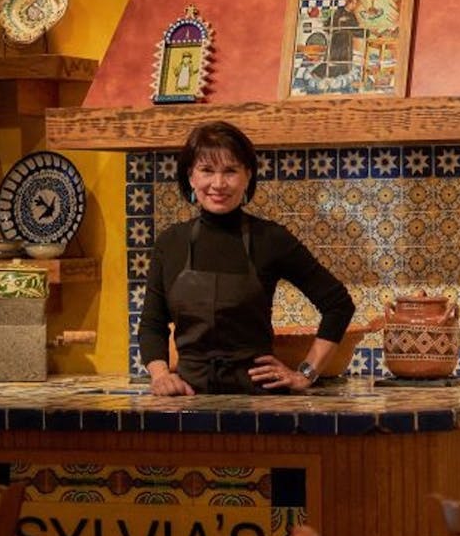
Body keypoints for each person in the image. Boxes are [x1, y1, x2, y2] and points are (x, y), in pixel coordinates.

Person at [139, 121, 355, 395]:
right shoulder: (170, 244)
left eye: (230, 171)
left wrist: (307, 373)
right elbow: (151, 325)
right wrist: (160, 376)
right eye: (207, 170)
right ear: (191, 177)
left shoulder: (271, 239)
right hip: (187, 399)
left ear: (248, 176)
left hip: (259, 400)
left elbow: (338, 304)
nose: (218, 184)